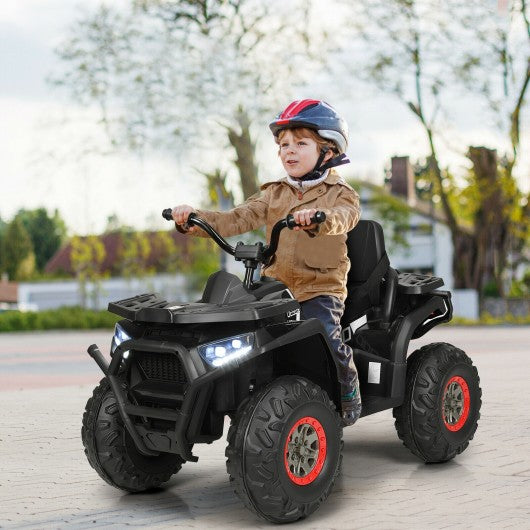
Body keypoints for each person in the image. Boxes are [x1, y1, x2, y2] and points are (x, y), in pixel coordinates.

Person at [172, 99, 362, 425]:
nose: (289, 151)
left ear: (328, 151)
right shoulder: (274, 194)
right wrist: (194, 218)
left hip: (319, 289)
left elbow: (345, 217)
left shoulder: (341, 193)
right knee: (242, 337)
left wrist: (319, 218)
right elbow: (236, 218)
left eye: (301, 143)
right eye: (284, 145)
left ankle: (348, 394)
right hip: (276, 288)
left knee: (327, 338)